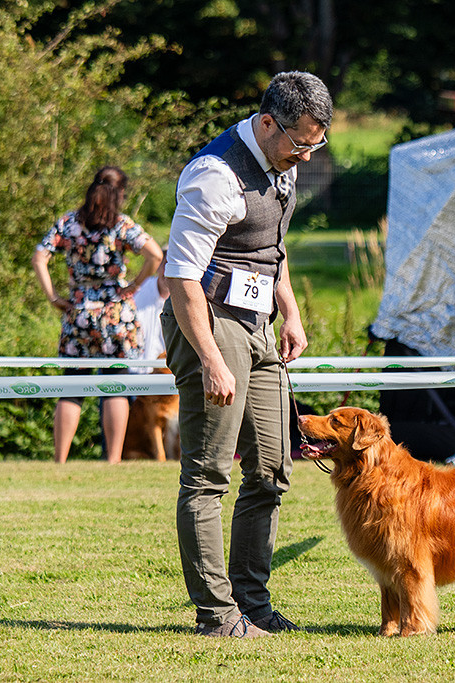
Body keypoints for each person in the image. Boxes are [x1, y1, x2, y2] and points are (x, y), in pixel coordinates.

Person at [161, 71, 331, 638]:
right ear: (266, 124)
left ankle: (252, 603)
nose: (305, 156)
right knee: (208, 474)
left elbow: (271, 250)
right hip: (209, 321)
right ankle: (215, 614)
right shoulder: (214, 175)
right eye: (299, 143)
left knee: (273, 468)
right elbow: (180, 278)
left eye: (316, 143)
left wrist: (293, 312)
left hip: (258, 325)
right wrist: (209, 357)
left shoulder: (281, 165)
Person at [32, 165, 164, 464]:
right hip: (115, 312)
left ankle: (60, 460)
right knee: (116, 384)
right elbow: (155, 255)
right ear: (120, 193)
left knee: (71, 386)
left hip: (78, 310)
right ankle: (113, 460)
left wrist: (53, 296)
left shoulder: (68, 222)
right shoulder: (121, 224)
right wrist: (135, 284)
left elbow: (39, 256)